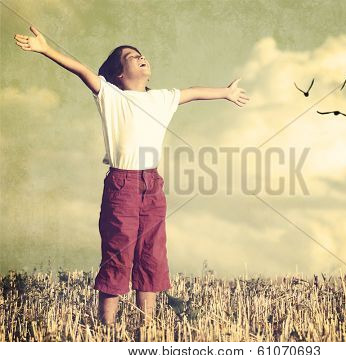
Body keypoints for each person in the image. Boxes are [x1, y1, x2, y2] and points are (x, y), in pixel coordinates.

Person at [14, 25, 250, 326]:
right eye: (130, 56)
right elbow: (82, 71)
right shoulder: (110, 96)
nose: (140, 57)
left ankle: (146, 325)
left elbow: (194, 92)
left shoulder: (162, 98)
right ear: (118, 75)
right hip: (121, 185)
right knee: (117, 254)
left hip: (152, 185)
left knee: (151, 254)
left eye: (141, 54)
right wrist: (46, 49)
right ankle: (107, 326)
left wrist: (226, 93)